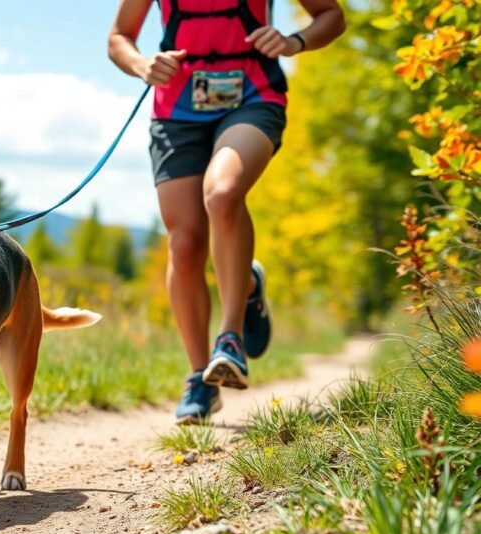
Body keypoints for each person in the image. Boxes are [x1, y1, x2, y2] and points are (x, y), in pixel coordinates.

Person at [108, 0, 345, 423]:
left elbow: (332, 15)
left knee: (222, 193)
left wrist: (295, 41)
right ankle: (200, 377)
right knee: (185, 243)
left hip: (253, 97)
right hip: (177, 110)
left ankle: (230, 338)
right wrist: (143, 66)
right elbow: (118, 38)